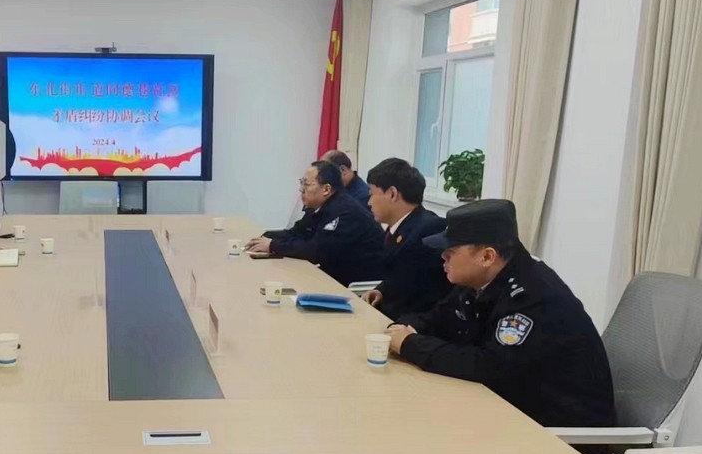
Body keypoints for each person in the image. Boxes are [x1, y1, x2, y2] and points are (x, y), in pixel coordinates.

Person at [386, 199, 616, 431]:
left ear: (487, 257)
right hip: (510, 409)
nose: (443, 256)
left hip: (558, 432)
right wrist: (404, 328)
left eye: (451, 251)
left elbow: (489, 367)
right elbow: (439, 317)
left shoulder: (532, 297)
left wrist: (410, 344)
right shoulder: (480, 280)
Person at [246, 161, 385, 286]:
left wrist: (272, 245)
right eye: (301, 183)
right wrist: (265, 237)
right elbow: (297, 232)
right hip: (332, 276)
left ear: (326, 189)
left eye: (306, 184)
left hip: (357, 286)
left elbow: (317, 250)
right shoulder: (319, 207)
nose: (301, 190)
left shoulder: (344, 211)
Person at [361, 158, 451, 319]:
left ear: (392, 194)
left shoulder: (428, 230)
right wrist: (380, 291)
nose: (369, 202)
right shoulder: (399, 227)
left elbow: (426, 296)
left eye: (372, 194)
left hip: (411, 323)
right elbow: (397, 278)